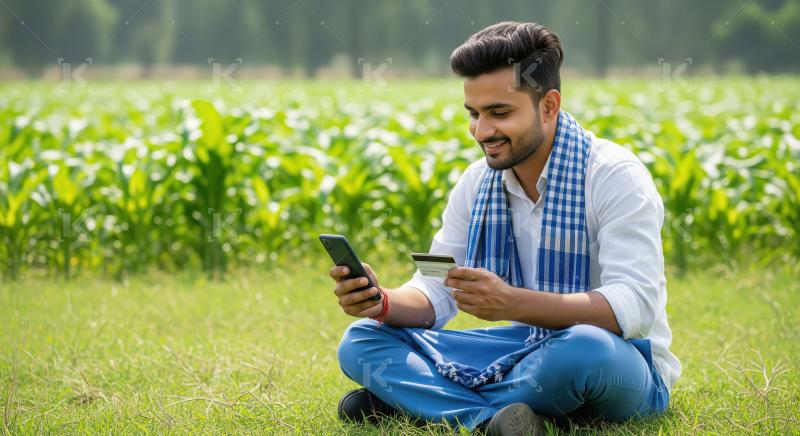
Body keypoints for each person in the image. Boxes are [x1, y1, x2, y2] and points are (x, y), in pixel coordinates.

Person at [329, 21, 680, 436]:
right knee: (362, 341)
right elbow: (436, 287)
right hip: (525, 351)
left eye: (499, 113)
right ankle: (489, 422)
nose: (482, 131)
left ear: (549, 106)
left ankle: (420, 401)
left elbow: (633, 308)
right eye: (474, 114)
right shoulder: (477, 182)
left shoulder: (614, 175)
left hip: (617, 362)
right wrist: (382, 301)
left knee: (585, 350)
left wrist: (514, 303)